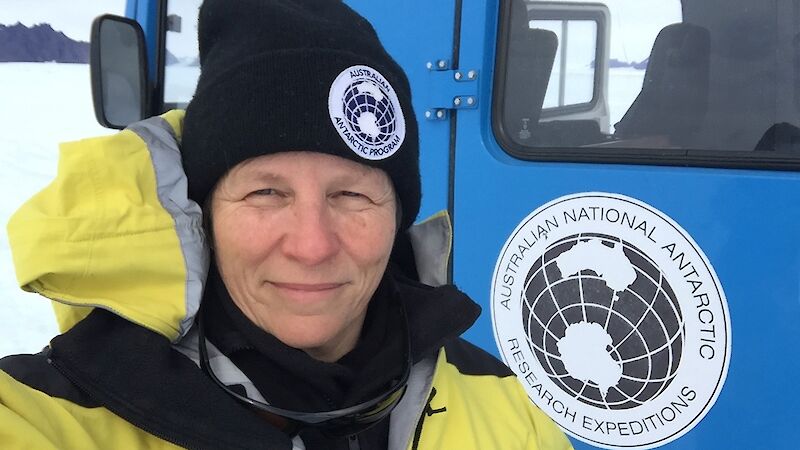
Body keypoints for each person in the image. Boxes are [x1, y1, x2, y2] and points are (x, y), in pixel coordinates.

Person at [0, 1, 573, 449]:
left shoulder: (503, 408)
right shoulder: (52, 414)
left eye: (352, 194)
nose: (311, 245)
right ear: (201, 216)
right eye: (265, 193)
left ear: (398, 215)